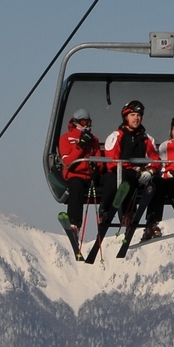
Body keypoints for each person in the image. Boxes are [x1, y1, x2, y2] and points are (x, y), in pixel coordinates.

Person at [103, 101, 160, 236]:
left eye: (139, 115)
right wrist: (133, 169)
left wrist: (150, 171)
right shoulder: (116, 136)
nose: (136, 118)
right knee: (127, 177)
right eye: (133, 115)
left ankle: (152, 221)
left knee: (159, 183)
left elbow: (156, 160)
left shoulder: (146, 138)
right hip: (123, 174)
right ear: (126, 117)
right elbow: (112, 161)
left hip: (141, 175)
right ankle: (126, 213)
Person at [55, 108, 101, 255]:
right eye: (83, 122)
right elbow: (68, 161)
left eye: (88, 122)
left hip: (90, 176)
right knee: (75, 186)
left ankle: (108, 213)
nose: (86, 125)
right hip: (75, 175)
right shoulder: (66, 139)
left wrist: (97, 168)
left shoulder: (93, 140)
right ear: (75, 123)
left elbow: (99, 158)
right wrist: (80, 145)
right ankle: (75, 223)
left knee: (108, 182)